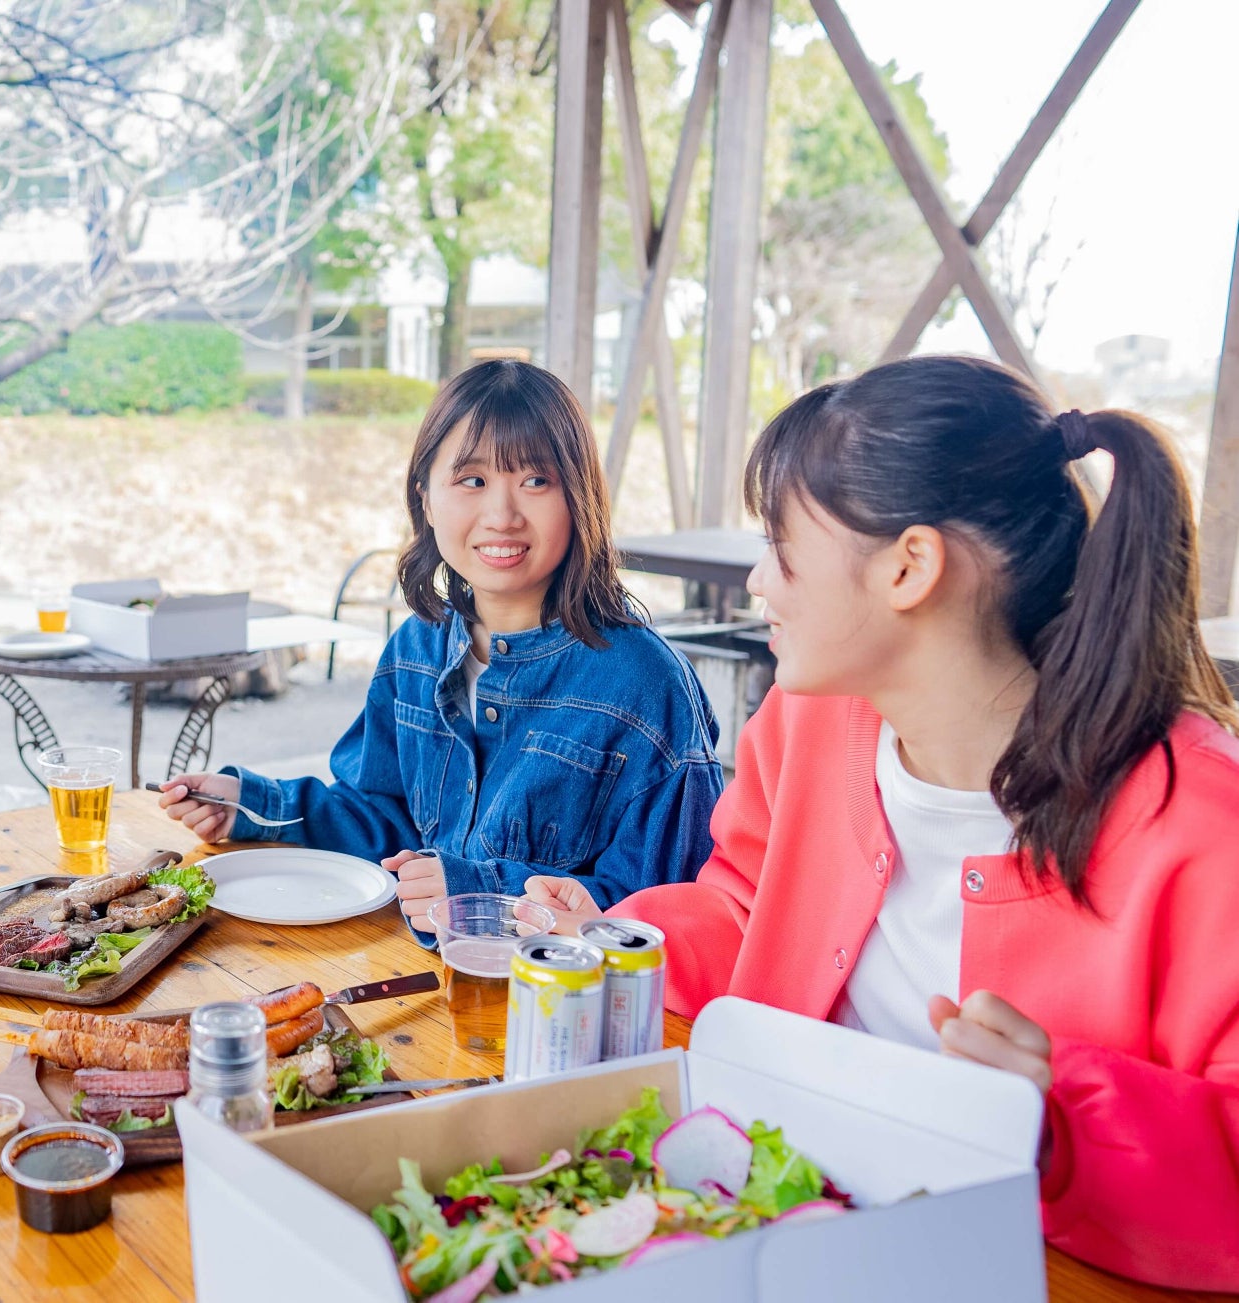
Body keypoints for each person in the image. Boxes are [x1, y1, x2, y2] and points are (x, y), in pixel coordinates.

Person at [523, 356, 1239, 1290]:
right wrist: (630, 939)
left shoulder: (1201, 821)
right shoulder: (809, 717)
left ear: (910, 565)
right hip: (787, 1221)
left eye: (781, 547)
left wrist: (1059, 1118)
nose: (755, 580)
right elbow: (746, 907)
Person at [160, 359, 723, 939]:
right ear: (426, 499)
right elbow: (384, 819)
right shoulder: (415, 649)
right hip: (414, 977)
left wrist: (483, 892)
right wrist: (253, 806)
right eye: (472, 481)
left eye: (536, 481)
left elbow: (665, 911)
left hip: (552, 1007)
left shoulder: (647, 685)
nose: (502, 516)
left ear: (580, 498)